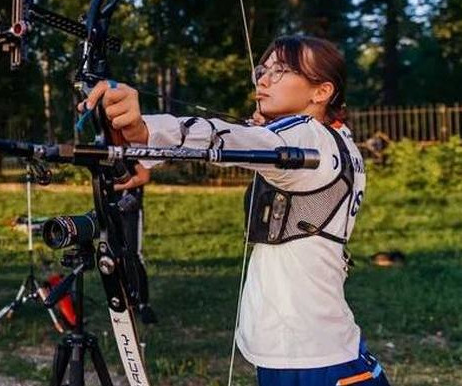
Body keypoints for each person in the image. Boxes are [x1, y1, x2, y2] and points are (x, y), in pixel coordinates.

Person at [80, 36, 390, 385]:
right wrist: (142, 155)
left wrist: (143, 131)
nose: (263, 80)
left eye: (281, 70)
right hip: (320, 343)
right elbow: (258, 140)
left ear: (321, 92)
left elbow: (226, 137)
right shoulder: (338, 140)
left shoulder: (307, 138)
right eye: (263, 70)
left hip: (308, 355)